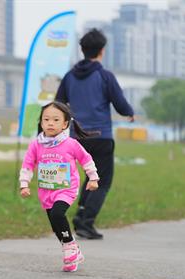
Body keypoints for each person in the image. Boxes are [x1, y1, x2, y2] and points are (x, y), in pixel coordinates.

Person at [55, 28, 134, 240]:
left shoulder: (69, 77)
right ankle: (86, 221)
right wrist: (130, 113)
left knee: (90, 176)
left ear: (82, 50)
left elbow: (58, 104)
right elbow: (120, 103)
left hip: (76, 139)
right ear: (102, 50)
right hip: (101, 137)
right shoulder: (104, 76)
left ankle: (81, 216)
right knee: (102, 180)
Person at [19, 101, 99, 272]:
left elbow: (86, 159)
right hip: (46, 191)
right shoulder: (36, 144)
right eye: (46, 119)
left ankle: (69, 246)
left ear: (65, 124)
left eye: (55, 120)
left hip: (66, 189)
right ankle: (73, 254)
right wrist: (24, 184)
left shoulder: (71, 144)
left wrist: (93, 178)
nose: (50, 123)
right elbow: (28, 164)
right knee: (56, 225)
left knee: (58, 213)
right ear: (41, 122)